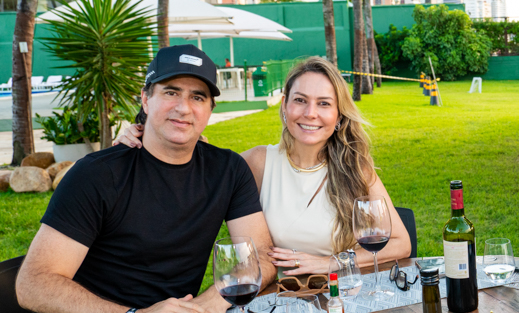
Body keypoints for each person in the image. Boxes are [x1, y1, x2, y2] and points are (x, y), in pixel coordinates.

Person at [16, 45, 275, 313]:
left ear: (210, 109)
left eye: (197, 97)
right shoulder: (97, 174)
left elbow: (261, 256)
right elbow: (34, 284)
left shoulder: (228, 170)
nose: (183, 108)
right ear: (145, 99)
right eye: (171, 92)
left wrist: (213, 300)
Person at [114, 56, 411, 275]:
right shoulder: (258, 163)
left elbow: (400, 243)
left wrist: (331, 263)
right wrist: (142, 135)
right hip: (279, 302)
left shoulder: (355, 167)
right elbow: (194, 170)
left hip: (344, 294)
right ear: (284, 106)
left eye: (324, 103)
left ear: (338, 116)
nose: (310, 113)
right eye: (300, 100)